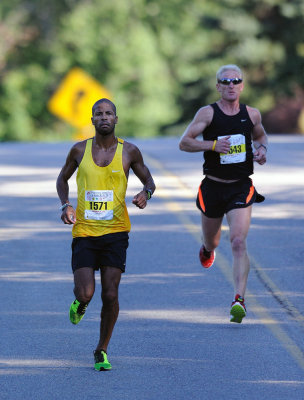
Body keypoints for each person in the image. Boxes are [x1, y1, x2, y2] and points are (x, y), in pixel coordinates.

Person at [56, 98, 155, 370]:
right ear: (92, 120)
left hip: (116, 231)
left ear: (116, 119)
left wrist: (145, 194)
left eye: (109, 113)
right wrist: (66, 205)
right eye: (98, 113)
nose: (104, 117)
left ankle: (102, 349)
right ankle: (80, 302)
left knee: (110, 294)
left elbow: (149, 181)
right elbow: (62, 179)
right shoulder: (78, 150)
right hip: (85, 232)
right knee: (86, 292)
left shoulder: (130, 151)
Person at [179, 64, 268, 324]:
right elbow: (184, 142)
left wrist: (262, 150)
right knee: (213, 242)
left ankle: (238, 299)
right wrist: (213, 145)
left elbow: (261, 137)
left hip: (241, 185)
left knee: (238, 242)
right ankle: (207, 249)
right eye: (225, 81)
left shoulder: (252, 114)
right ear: (218, 86)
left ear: (242, 85)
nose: (231, 85)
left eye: (236, 81)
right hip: (213, 187)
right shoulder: (207, 113)